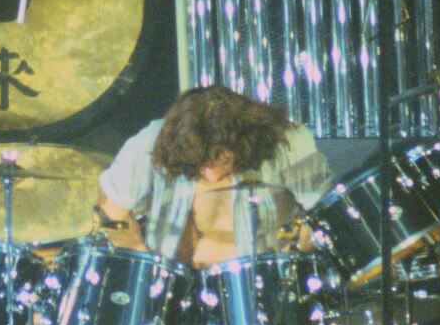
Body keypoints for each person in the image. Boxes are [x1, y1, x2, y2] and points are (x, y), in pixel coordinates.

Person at [96, 85, 332, 268]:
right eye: (200, 164)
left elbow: (324, 216)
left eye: (218, 160)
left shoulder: (288, 143)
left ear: (241, 142)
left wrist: (299, 256)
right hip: (174, 291)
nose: (208, 174)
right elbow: (111, 214)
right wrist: (145, 268)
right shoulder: (151, 142)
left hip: (261, 289)